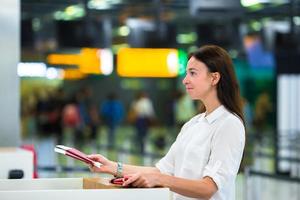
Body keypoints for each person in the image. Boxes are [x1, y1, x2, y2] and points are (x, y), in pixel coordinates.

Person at [88, 45, 246, 200]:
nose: (185, 80)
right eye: (186, 73)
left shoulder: (229, 124)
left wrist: (160, 180)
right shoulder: (193, 124)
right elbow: (161, 171)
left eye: (193, 73)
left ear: (214, 77)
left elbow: (207, 188)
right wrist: (111, 166)